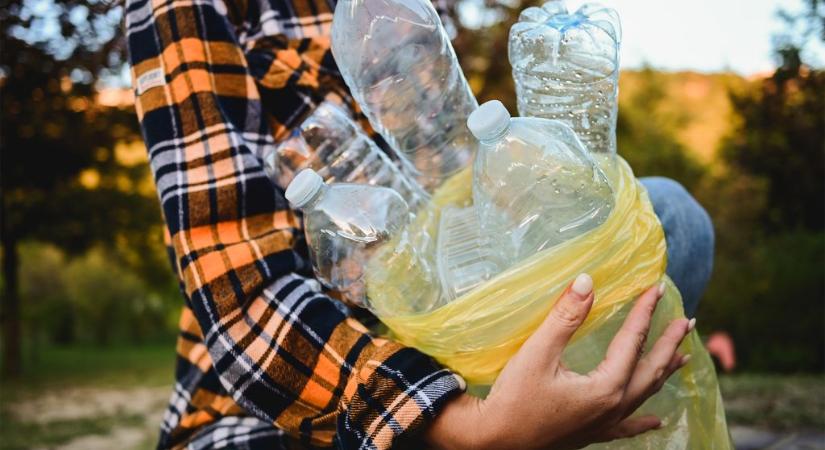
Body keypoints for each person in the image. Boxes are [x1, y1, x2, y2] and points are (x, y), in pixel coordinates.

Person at [125, 0, 715, 448]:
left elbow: (455, 185)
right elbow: (234, 275)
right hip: (288, 405)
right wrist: (467, 428)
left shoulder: (395, 10)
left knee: (670, 214)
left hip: (448, 334)